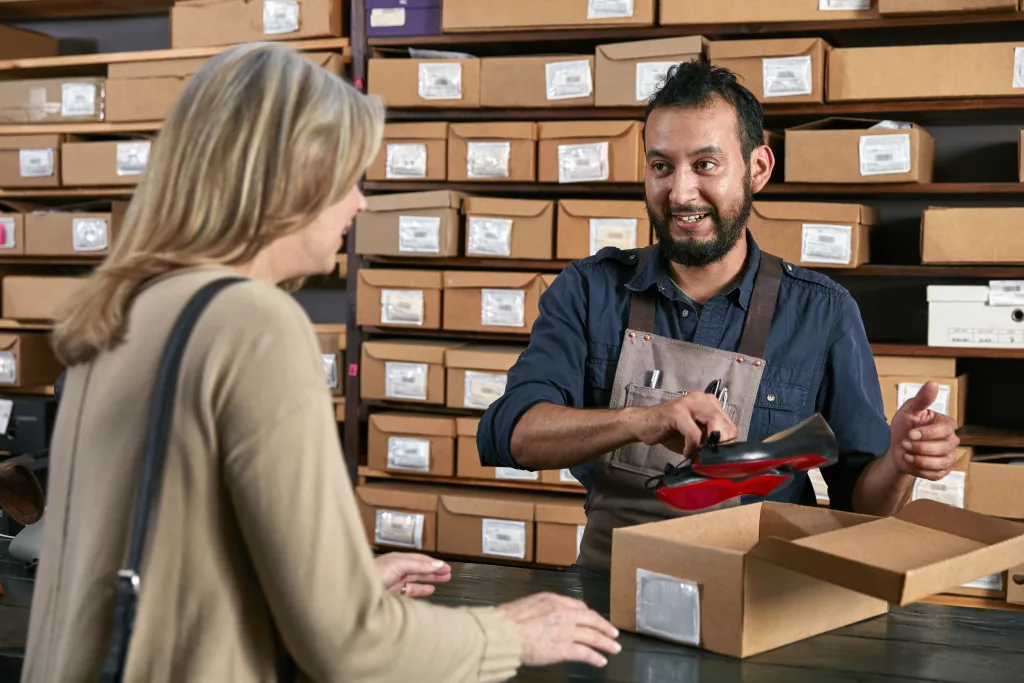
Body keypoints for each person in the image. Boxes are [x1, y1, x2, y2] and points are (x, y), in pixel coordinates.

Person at [21, 43, 620, 683]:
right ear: (294, 175)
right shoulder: (252, 323)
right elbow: (351, 645)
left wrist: (337, 585)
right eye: (347, 177)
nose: (360, 203)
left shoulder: (125, 311)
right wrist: (509, 634)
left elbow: (174, 565)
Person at [477, 60, 961, 573]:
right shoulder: (589, 289)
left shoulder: (822, 313)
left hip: (763, 597)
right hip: (611, 591)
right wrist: (639, 420)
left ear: (758, 169)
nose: (680, 193)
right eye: (661, 167)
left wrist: (900, 465)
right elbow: (509, 434)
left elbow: (863, 505)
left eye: (705, 164)